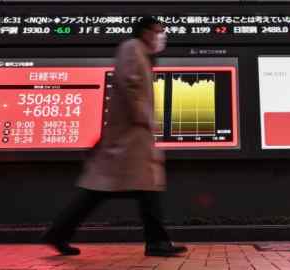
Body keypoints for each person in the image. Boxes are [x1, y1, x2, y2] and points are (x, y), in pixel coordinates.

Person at [42, 17, 187, 257]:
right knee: (126, 190)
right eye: (158, 31)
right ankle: (157, 243)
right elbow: (130, 86)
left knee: (113, 190)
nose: (162, 36)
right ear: (145, 31)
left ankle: (59, 232)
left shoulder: (141, 52)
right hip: (129, 137)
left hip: (131, 137)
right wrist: (144, 118)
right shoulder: (132, 48)